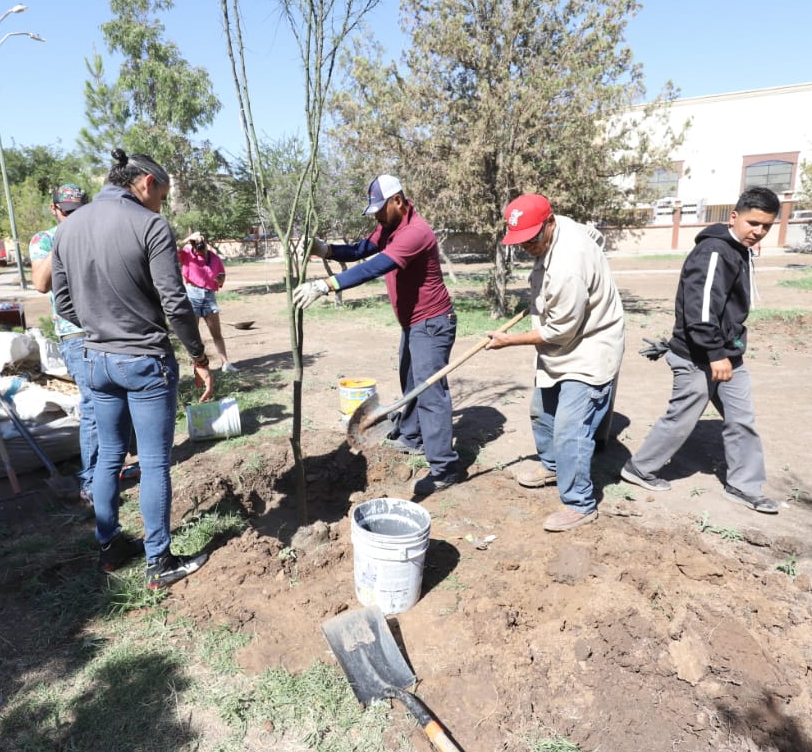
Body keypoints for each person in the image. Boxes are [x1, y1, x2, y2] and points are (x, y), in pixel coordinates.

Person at [50, 149, 214, 587]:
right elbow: (175, 304)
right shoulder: (150, 225)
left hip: (95, 360)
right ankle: (159, 562)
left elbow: (62, 302)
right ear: (146, 183)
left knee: (108, 457)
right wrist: (199, 356)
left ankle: (110, 547)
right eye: (162, 195)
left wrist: (99, 324)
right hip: (144, 361)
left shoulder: (68, 228)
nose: (161, 205)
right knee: (155, 463)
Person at [619, 185, 782, 514]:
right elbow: (700, 310)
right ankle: (639, 468)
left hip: (727, 354)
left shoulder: (739, 250)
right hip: (699, 356)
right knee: (682, 417)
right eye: (753, 223)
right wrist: (715, 354)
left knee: (742, 420)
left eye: (766, 226)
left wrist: (725, 352)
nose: (758, 231)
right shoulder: (714, 252)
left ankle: (744, 486)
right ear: (734, 217)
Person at [294, 174, 460, 495]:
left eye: (380, 210)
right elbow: (361, 250)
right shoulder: (389, 227)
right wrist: (325, 250)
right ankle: (411, 437)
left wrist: (326, 285)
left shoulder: (415, 233)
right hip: (413, 323)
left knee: (430, 393)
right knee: (410, 381)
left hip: (432, 323)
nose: (377, 218)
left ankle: (445, 468)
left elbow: (374, 266)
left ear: (398, 200)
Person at [484, 193, 625, 532]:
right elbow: (595, 236)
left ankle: (580, 504)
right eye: (521, 241)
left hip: (589, 347)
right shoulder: (562, 226)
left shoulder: (567, 266)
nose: (527, 246)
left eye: (532, 239)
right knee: (542, 411)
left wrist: (508, 341)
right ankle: (552, 466)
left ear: (549, 223)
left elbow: (559, 332)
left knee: (570, 429)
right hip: (561, 346)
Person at [29, 183, 97, 502]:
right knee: (93, 405)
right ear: (54, 209)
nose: (72, 217)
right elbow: (40, 283)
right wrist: (64, 237)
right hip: (75, 334)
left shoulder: (96, 233)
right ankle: (92, 482)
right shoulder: (45, 239)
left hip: (107, 328)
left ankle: (110, 469)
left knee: (115, 400)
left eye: (78, 212)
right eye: (67, 212)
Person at [178, 232, 238, 371]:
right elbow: (172, 249)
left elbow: (221, 276)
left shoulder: (214, 258)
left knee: (216, 332)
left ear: (206, 243)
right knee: (193, 334)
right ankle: (199, 366)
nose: (199, 246)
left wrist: (219, 280)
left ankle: (225, 363)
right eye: (196, 244)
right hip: (193, 294)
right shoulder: (187, 254)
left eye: (201, 243)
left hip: (209, 295)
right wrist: (188, 239)